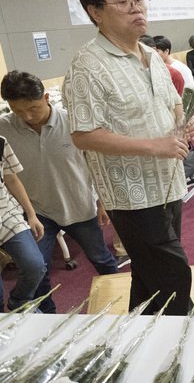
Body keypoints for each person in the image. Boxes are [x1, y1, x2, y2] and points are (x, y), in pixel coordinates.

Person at [64, 0, 194, 315]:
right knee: (173, 276)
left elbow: (173, 107)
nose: (136, 8)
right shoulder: (88, 65)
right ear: (96, 12)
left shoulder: (153, 56)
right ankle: (185, 343)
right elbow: (83, 134)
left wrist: (186, 124)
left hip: (169, 184)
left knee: (150, 276)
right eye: (123, 2)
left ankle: (140, 342)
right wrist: (155, 146)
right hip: (132, 194)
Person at [0, 71, 118, 314]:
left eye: (33, 108)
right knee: (38, 270)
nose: (27, 116)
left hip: (79, 206)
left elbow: (97, 163)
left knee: (102, 259)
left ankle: (122, 301)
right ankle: (49, 319)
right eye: (18, 111)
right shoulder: (6, 127)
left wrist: (102, 202)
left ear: (45, 97)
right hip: (36, 211)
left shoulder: (73, 124)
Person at [0, 134, 46, 313]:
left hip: (7, 214)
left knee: (34, 265)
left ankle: (19, 302)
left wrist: (31, 214)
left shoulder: (1, 142)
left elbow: (11, 179)